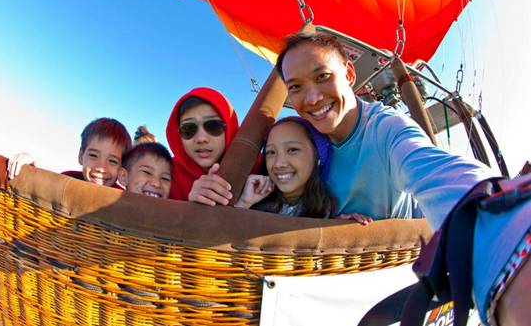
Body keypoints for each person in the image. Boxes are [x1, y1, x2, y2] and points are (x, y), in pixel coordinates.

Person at [274, 32, 529, 326]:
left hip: (387, 283)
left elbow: (435, 171)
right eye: (296, 87)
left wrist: (505, 234)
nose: (312, 98)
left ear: (349, 73)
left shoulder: (387, 128)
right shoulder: (302, 141)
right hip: (326, 287)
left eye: (322, 76)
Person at [236, 116, 372, 223]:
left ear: (318, 155)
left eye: (293, 150)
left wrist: (334, 229)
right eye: (271, 152)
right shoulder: (252, 200)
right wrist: (244, 203)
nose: (278, 164)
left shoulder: (328, 209)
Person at [6, 117, 131, 188]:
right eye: (93, 155)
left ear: (122, 170)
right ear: (81, 156)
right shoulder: (66, 180)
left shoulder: (122, 200)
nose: (101, 168)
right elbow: (41, 191)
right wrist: (29, 168)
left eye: (113, 161)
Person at [165, 87, 239, 203]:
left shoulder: (258, 167)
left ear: (230, 128)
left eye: (213, 126)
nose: (201, 139)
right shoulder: (166, 174)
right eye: (188, 129)